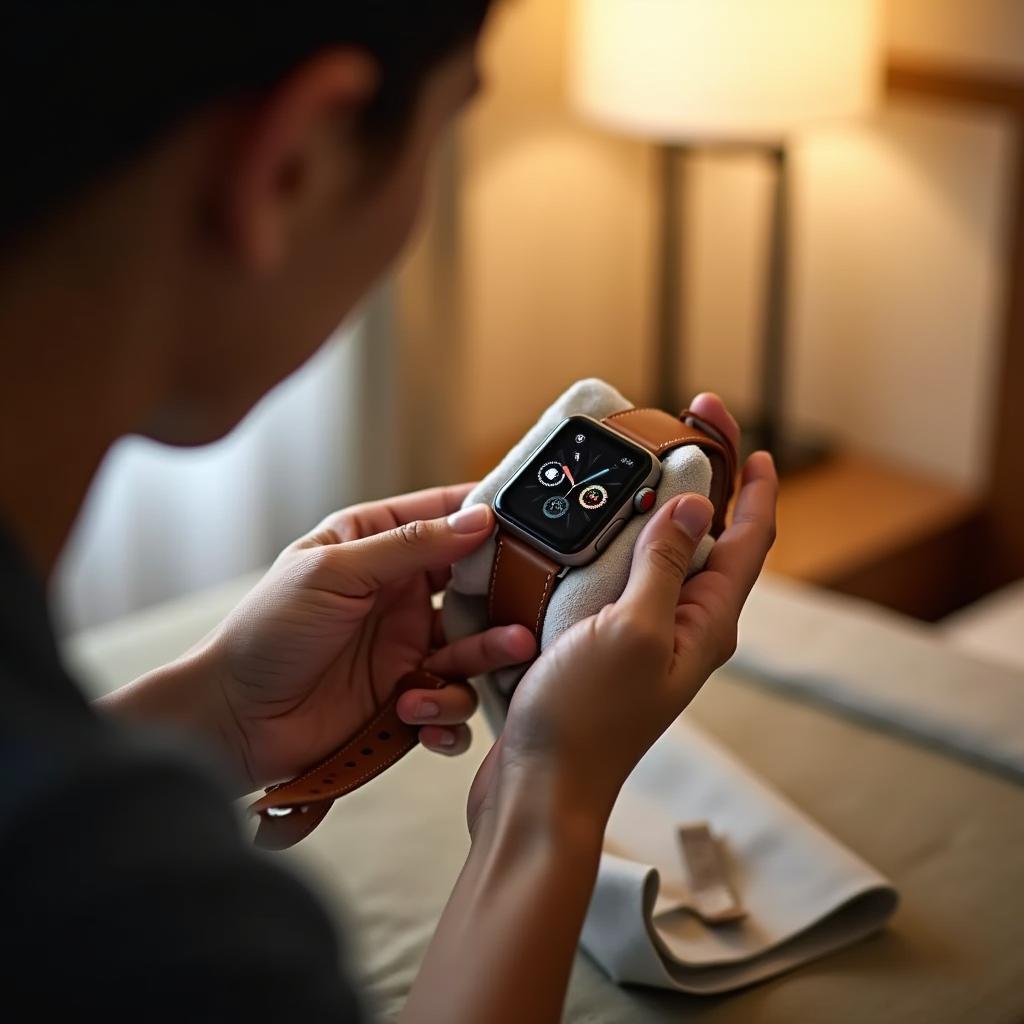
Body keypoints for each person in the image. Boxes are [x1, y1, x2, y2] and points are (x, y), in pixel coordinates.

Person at [0, 3, 778, 1021]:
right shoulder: (150, 932)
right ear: (298, 161)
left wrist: (221, 711)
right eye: (450, 126)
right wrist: (549, 792)